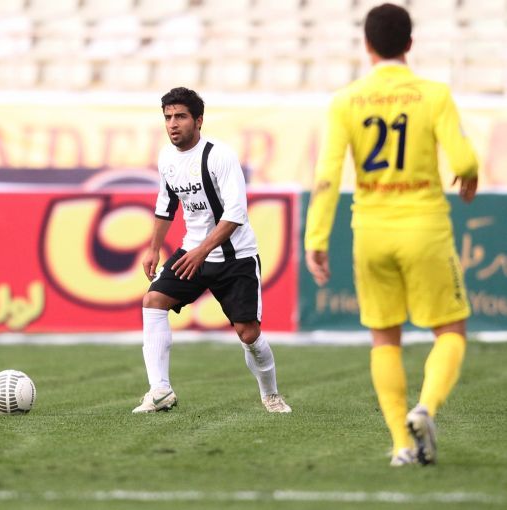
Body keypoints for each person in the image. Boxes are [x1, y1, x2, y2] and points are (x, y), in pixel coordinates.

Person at [304, 4, 478, 466]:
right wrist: (469, 172)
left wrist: (315, 237)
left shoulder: (346, 101)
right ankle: (426, 408)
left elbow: (327, 175)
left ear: (367, 46)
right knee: (450, 329)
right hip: (424, 227)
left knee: (384, 338)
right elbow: (463, 159)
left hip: (371, 231)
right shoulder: (433, 95)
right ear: (410, 44)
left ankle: (402, 444)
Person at [133, 86, 291, 415]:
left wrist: (202, 251)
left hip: (235, 257)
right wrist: (153, 249)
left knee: (249, 334)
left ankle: (271, 394)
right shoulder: (166, 158)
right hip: (194, 252)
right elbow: (166, 205)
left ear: (198, 120)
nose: (173, 124)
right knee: (153, 301)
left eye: (180, 116)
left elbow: (236, 213)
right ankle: (160, 390)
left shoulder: (220, 156)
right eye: (168, 117)